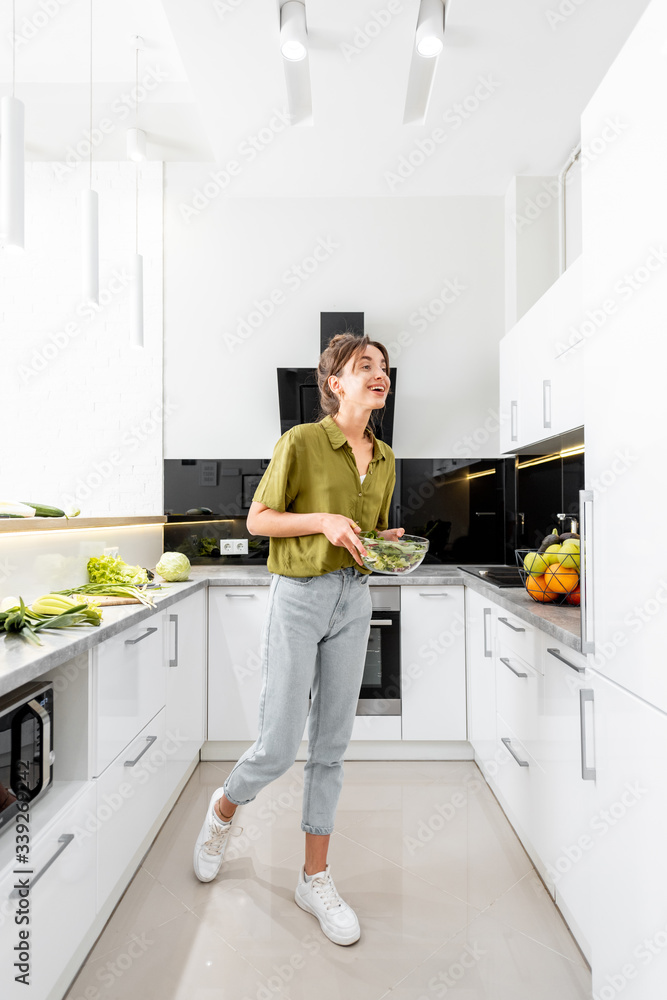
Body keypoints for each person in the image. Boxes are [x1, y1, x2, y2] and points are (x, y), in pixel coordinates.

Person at [193, 332, 404, 946]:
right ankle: (225, 809)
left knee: (332, 745)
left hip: (354, 596)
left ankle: (314, 879)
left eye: (384, 368)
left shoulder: (386, 458)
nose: (379, 374)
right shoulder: (303, 442)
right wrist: (325, 521)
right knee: (280, 743)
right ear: (335, 382)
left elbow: (359, 533)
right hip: (300, 597)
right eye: (365, 366)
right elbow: (259, 519)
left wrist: (379, 541)